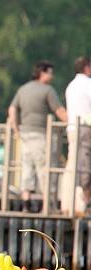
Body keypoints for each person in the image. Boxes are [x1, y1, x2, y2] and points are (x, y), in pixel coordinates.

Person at [7, 60, 68, 212]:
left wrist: (16, 128)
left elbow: (12, 109)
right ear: (42, 73)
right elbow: (59, 111)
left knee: (27, 166)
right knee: (45, 167)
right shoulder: (47, 90)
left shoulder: (23, 89)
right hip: (40, 134)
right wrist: (75, 122)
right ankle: (48, 204)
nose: (52, 76)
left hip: (25, 133)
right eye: (50, 72)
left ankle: (26, 202)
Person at [62, 57, 91, 216]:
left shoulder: (71, 86)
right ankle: (82, 204)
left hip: (72, 128)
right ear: (86, 67)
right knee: (84, 166)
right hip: (85, 128)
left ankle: (68, 203)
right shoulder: (87, 84)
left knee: (72, 164)